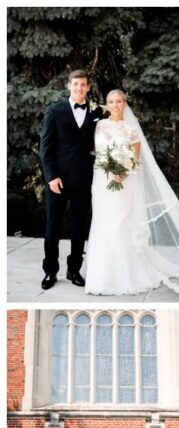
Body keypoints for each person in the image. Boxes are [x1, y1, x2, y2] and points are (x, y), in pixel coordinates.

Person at [85, 89, 179, 298]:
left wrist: (123, 171)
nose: (115, 105)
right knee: (102, 222)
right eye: (111, 102)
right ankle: (100, 276)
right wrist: (109, 168)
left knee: (121, 222)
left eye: (119, 101)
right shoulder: (100, 125)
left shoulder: (131, 129)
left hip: (125, 180)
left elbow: (136, 158)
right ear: (107, 104)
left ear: (125, 103)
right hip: (102, 181)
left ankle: (125, 274)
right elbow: (99, 152)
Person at [39, 69, 104, 290]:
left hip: (84, 180)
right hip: (58, 181)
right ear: (69, 85)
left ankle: (74, 270)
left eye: (83, 84)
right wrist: (51, 177)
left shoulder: (96, 113)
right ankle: (50, 272)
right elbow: (45, 149)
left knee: (79, 228)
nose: (79, 88)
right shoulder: (54, 111)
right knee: (52, 229)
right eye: (75, 84)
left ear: (88, 87)